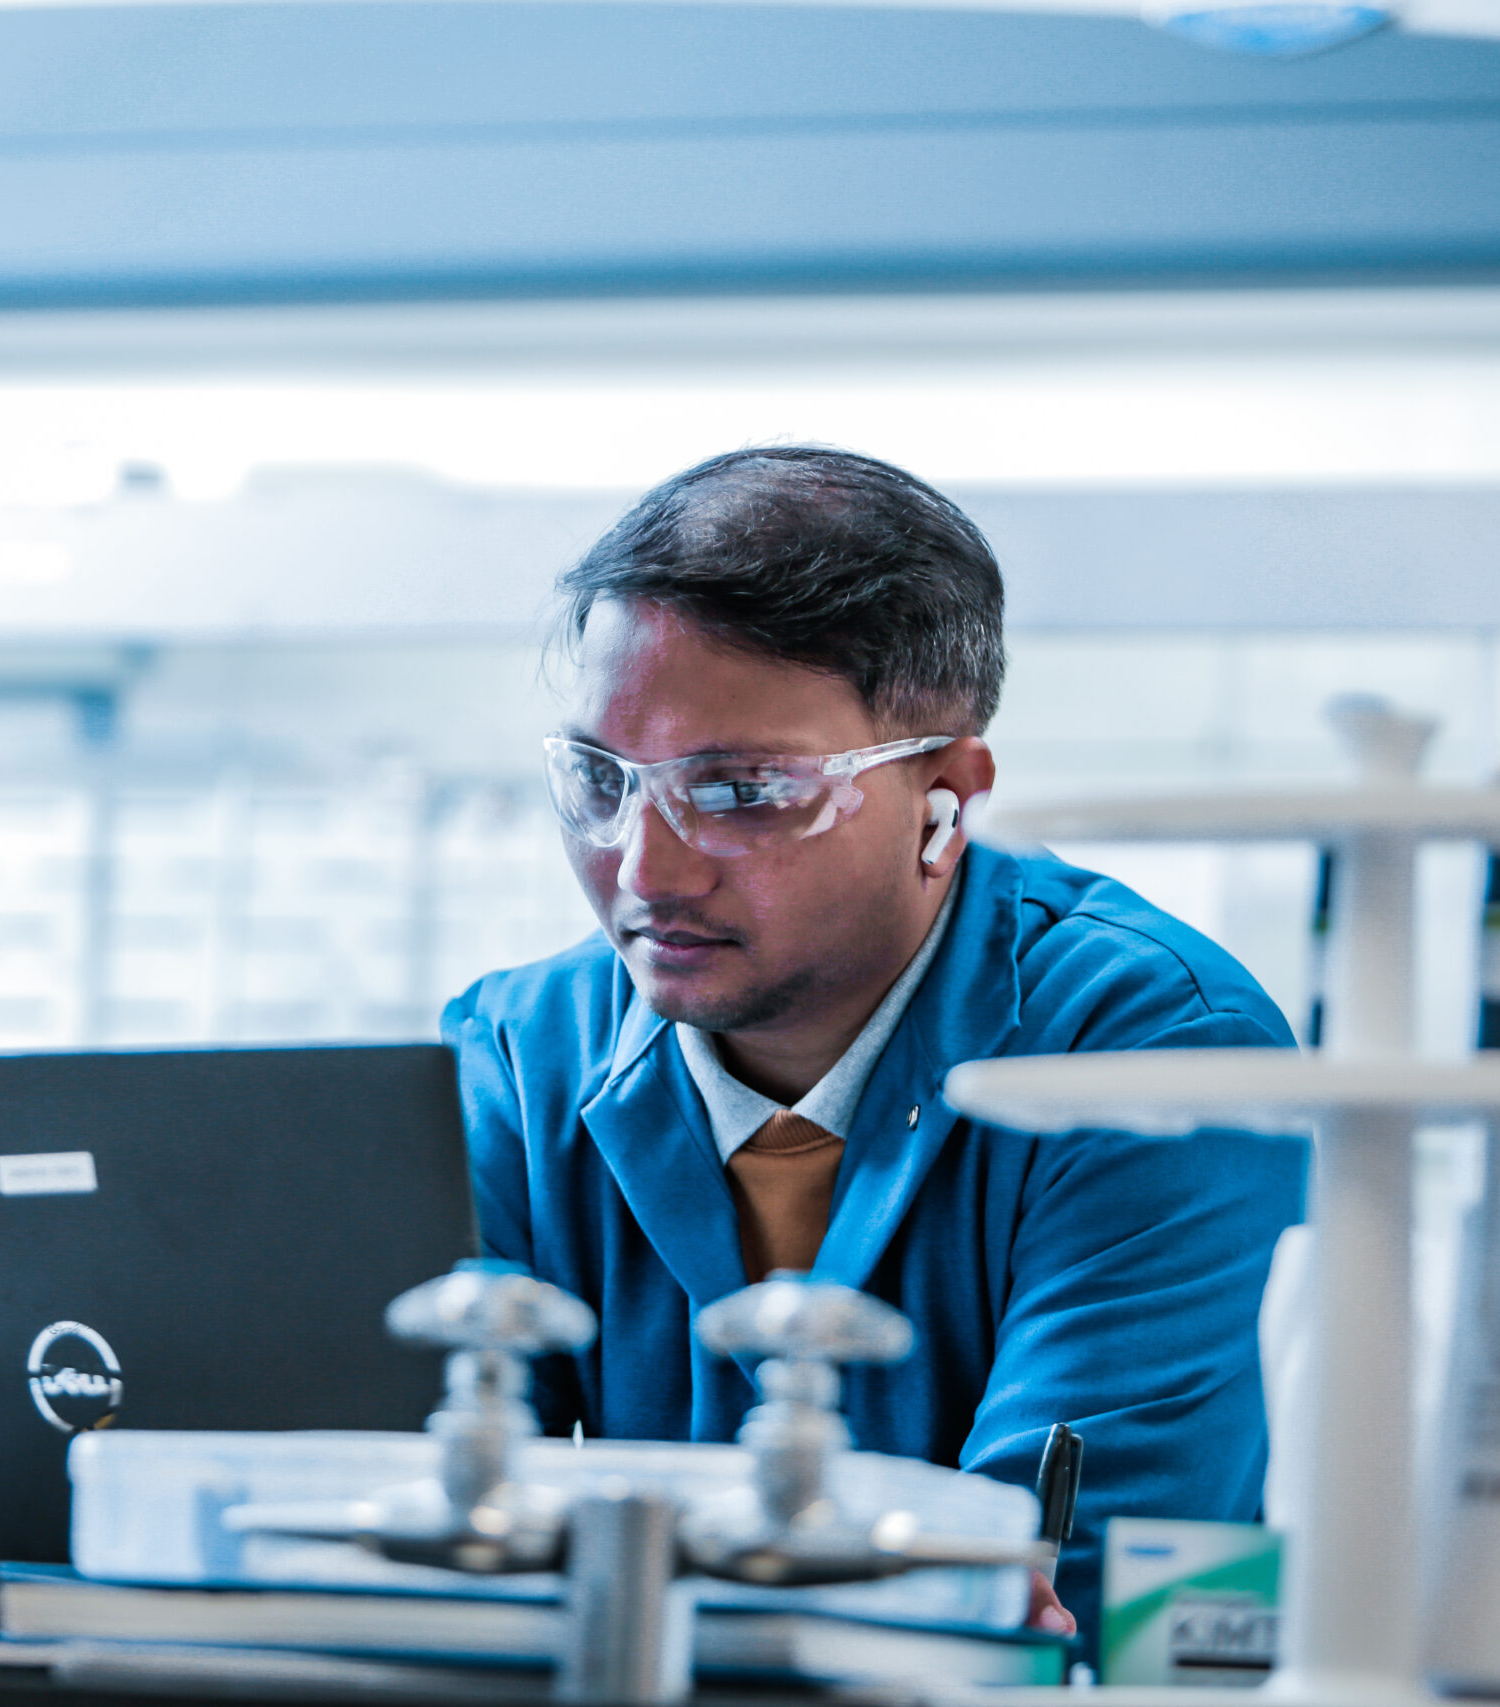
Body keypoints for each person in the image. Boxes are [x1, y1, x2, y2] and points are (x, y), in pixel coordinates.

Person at [441, 446, 1308, 1639]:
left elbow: (1069, 1607)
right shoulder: (516, 1057)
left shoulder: (1160, 1057)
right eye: (602, 779)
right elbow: (409, 1547)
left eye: (739, 790)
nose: (643, 870)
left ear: (945, 795)